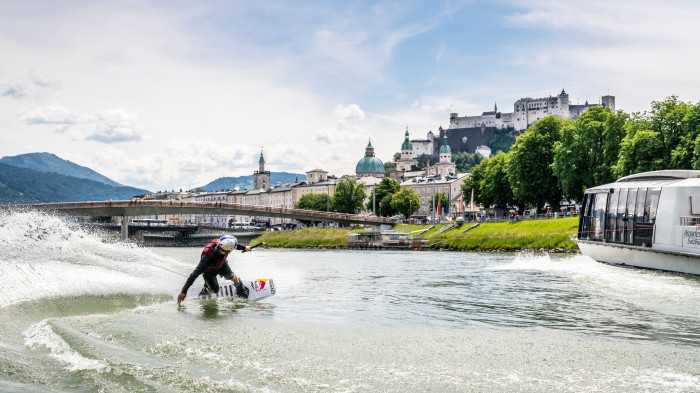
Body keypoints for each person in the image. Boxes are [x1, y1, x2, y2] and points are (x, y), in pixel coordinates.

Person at [176, 235, 252, 305]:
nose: (232, 249)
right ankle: (206, 290)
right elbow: (194, 275)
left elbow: (235, 245)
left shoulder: (222, 244)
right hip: (209, 272)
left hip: (221, 264)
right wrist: (184, 291)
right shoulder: (207, 258)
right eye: (231, 249)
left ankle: (240, 286)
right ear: (227, 249)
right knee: (215, 290)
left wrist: (245, 248)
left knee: (230, 276)